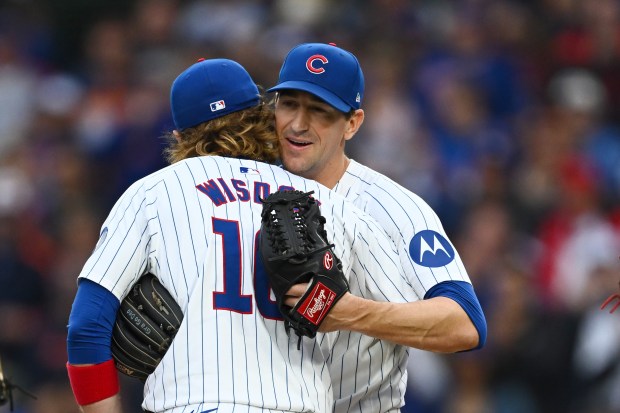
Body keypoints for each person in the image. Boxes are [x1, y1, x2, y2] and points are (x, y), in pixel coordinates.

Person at [65, 58, 412, 413]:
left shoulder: (153, 193)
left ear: (179, 136)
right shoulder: (326, 202)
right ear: (263, 119)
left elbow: (86, 327)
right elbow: (427, 322)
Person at [267, 42, 488, 412]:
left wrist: (350, 312)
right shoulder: (243, 188)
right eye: (289, 104)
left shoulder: (395, 208)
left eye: (319, 111)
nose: (298, 124)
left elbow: (464, 323)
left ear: (352, 123)